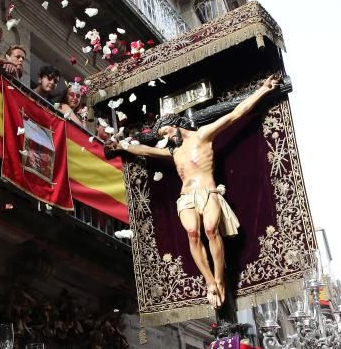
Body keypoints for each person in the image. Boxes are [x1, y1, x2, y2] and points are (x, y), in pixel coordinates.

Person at [109, 74, 282, 308]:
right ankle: (210, 281)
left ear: (177, 125)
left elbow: (235, 114)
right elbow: (146, 151)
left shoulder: (203, 135)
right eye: (162, 137)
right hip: (186, 197)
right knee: (193, 233)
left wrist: (263, 90)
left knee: (211, 230)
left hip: (208, 192)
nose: (166, 139)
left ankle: (220, 280)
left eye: (167, 132)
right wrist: (122, 146)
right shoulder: (173, 152)